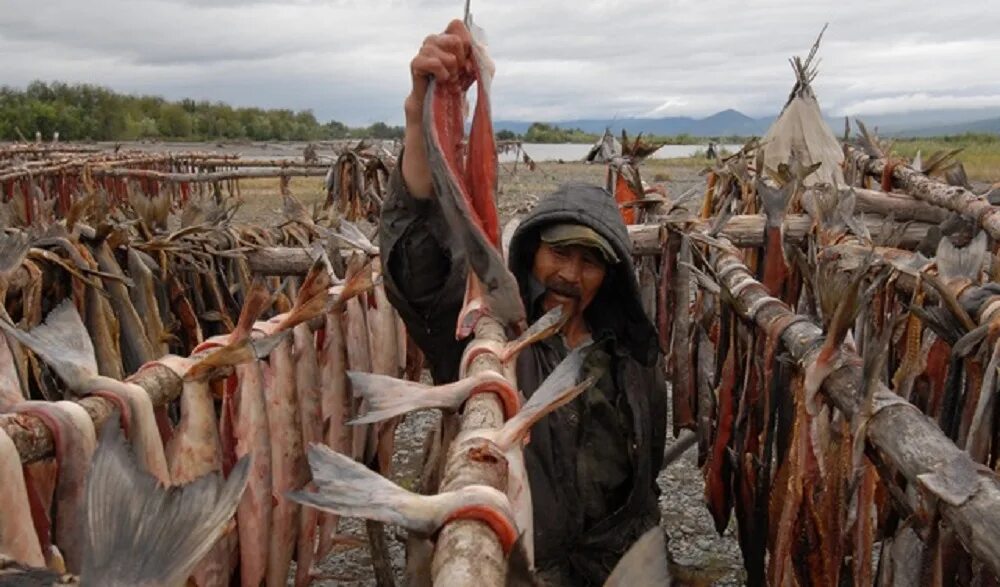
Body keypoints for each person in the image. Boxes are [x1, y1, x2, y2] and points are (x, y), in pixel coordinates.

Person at [378, 20, 667, 585]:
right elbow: (418, 265)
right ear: (531, 252)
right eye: (557, 253)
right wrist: (421, 117)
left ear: (611, 276)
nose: (568, 273)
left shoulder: (633, 362)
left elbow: (643, 483)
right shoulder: (491, 339)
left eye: (589, 262)